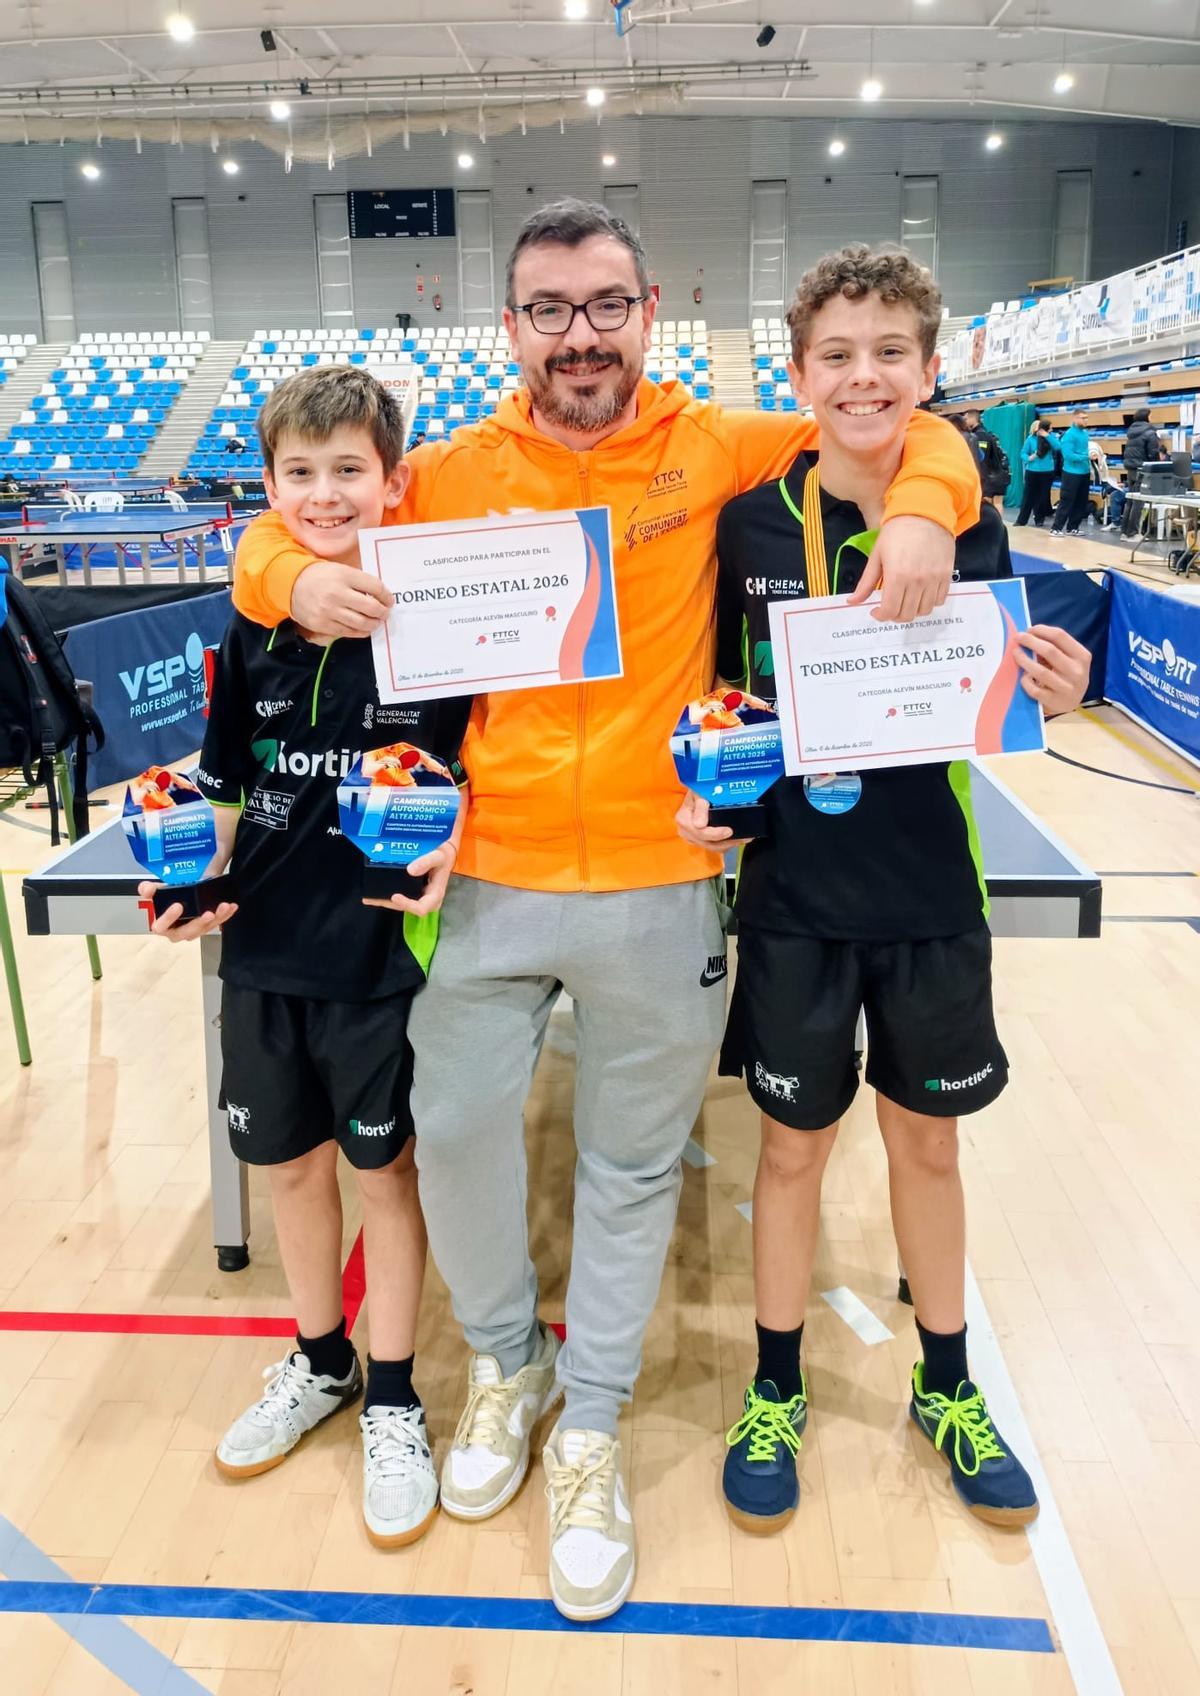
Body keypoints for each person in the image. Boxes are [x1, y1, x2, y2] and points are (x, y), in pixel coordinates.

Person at [230, 199, 982, 1622]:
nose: (579, 336)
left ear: (649, 312)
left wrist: (925, 509)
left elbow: (904, 430)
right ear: (511, 327)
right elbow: (273, 535)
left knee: (633, 1171)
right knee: (457, 1137)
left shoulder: (720, 444)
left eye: (605, 306)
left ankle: (589, 1423)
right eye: (549, 311)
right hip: (489, 873)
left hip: (659, 877)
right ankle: (506, 1369)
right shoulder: (451, 472)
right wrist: (295, 575)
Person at [675, 242, 1090, 1539]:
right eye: (838, 356)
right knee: (791, 1150)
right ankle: (776, 1385)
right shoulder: (750, 523)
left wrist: (1056, 690)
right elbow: (726, 693)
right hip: (793, 899)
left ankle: (946, 1386)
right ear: (797, 374)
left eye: (890, 353)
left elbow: (1002, 690)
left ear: (932, 367)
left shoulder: (968, 516)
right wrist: (710, 784)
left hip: (928, 896)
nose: (864, 377)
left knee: (929, 1143)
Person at [142, 365, 469, 1550]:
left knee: (386, 1176)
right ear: (271, 486)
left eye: (348, 470)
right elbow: (229, 781)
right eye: (300, 473)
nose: (325, 494)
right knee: (289, 1171)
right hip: (266, 953)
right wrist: (193, 875)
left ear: (394, 478)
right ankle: (321, 1360)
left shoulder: (435, 621)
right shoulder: (253, 624)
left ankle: (394, 1395)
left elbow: (474, 773)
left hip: (382, 952)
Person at [1120, 406, 1165, 538]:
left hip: (1131, 469)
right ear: (1146, 417)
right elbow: (1153, 453)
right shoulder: (1150, 433)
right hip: (1143, 469)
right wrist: (1157, 466)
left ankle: (1124, 532)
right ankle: (1133, 533)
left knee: (1130, 501)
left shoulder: (1132, 432)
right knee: (1138, 502)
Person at [1051, 408, 1093, 535]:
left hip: (1084, 472)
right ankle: (1056, 528)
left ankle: (1073, 527)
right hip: (1071, 473)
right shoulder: (1069, 435)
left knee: (1081, 501)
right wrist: (1085, 457)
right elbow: (1068, 455)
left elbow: (1084, 451)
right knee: (1066, 501)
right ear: (1075, 419)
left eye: (1087, 418)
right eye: (1083, 418)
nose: (1086, 420)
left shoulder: (1085, 434)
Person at [1014, 417, 1059, 527]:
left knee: (1043, 496)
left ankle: (1039, 519)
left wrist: (1047, 436)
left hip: (1047, 471)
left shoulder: (1050, 437)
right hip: (1032, 471)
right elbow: (1023, 453)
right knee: (1028, 496)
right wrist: (1029, 458)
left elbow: (1058, 447)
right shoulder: (1030, 439)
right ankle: (1021, 520)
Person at [962, 407, 1010, 510]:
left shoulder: (978, 436)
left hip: (988, 476)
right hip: (998, 473)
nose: (964, 422)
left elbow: (981, 459)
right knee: (997, 503)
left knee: (987, 506)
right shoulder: (989, 434)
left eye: (966, 419)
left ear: (973, 418)